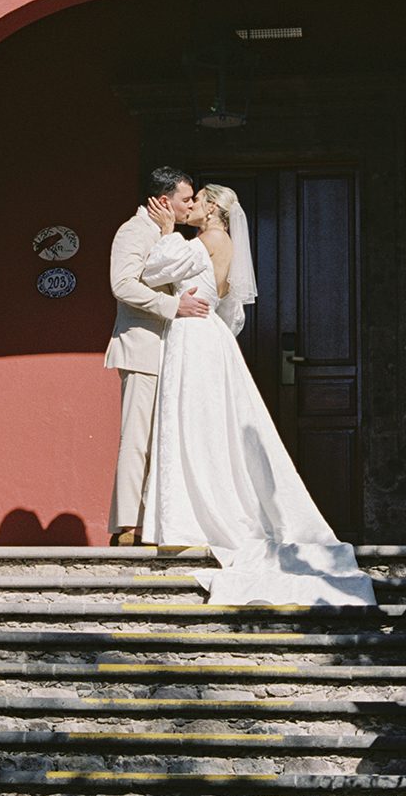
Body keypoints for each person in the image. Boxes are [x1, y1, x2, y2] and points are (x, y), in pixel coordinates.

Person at [139, 183, 377, 607]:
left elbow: (154, 272)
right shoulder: (224, 242)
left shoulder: (201, 242)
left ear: (212, 207)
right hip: (208, 333)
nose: (189, 206)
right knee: (208, 420)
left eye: (196, 201)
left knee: (195, 420)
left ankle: (192, 518)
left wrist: (164, 231)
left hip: (193, 335)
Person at [105, 167, 209, 546]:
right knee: (136, 438)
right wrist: (172, 305)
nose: (191, 206)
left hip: (170, 350)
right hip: (141, 349)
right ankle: (126, 527)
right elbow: (122, 283)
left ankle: (153, 521)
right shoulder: (133, 231)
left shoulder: (167, 235)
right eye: (186, 199)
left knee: (160, 439)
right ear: (164, 201)